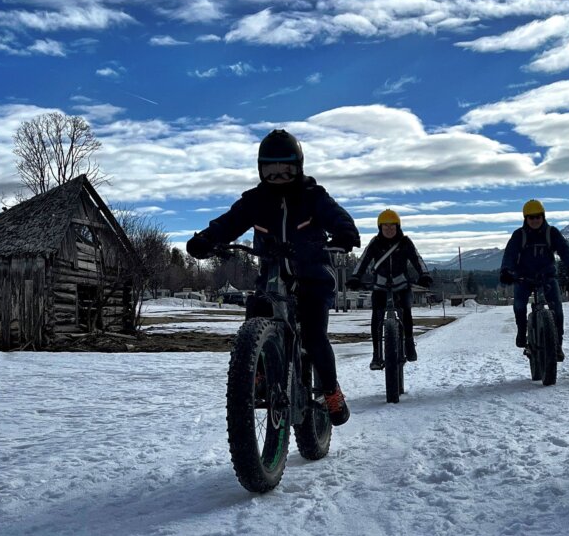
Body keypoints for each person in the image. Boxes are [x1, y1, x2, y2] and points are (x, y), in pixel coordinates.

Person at [185, 129, 361, 425]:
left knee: (315, 335)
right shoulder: (254, 201)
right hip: (270, 276)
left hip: (312, 276)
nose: (278, 177)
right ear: (260, 169)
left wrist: (345, 232)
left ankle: (331, 391)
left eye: (286, 170)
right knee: (255, 313)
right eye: (271, 170)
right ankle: (256, 374)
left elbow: (336, 215)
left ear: (299, 168)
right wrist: (206, 238)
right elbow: (229, 223)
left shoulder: (313, 196)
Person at [346, 209, 433, 369]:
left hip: (401, 285)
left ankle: (409, 344)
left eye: (392, 226)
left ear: (398, 226)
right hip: (380, 285)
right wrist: (355, 276)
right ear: (380, 227)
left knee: (406, 312)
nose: (389, 229)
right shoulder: (375, 243)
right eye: (385, 226)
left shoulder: (405, 242)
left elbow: (417, 259)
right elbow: (363, 260)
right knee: (376, 317)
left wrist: (425, 274)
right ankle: (376, 354)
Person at [498, 200, 569, 361]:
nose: (535, 220)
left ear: (543, 217)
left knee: (557, 309)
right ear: (525, 219)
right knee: (519, 306)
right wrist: (506, 271)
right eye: (531, 217)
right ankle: (522, 333)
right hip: (523, 278)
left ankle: (557, 346)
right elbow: (510, 254)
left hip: (547, 277)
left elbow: (565, 250)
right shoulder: (519, 235)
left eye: (538, 217)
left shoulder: (552, 233)